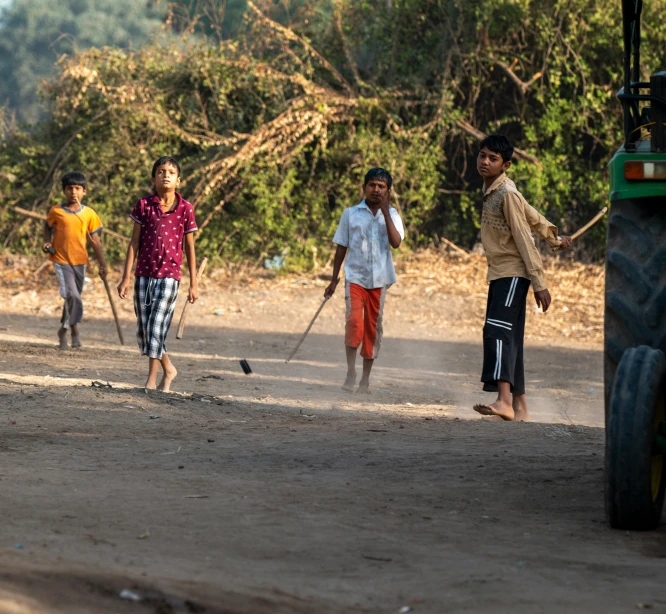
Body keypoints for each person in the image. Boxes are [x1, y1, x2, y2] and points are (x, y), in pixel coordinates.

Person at [472, 135, 572, 421]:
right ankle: (520, 407)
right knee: (510, 336)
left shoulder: (506, 194)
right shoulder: (498, 189)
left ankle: (503, 401)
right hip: (502, 273)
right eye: (482, 155)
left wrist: (540, 283)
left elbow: (524, 238)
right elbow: (533, 216)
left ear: (506, 165)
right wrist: (555, 238)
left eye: (493, 158)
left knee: (497, 331)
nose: (485, 162)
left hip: (512, 273)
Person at [117, 156, 199, 392]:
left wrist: (194, 284)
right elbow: (134, 243)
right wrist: (125, 278)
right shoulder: (143, 205)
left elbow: (190, 247)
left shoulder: (185, 209)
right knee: (144, 331)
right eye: (161, 171)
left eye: (171, 172)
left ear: (178, 180)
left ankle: (151, 381)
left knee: (156, 327)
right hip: (143, 274)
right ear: (153, 178)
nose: (166, 175)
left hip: (170, 276)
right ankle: (169, 368)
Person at [324, 167, 404, 393]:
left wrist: (386, 212)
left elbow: (396, 242)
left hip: (380, 280)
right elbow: (341, 246)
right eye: (372, 185)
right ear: (364, 187)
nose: (376, 190)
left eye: (382, 187)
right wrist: (334, 279)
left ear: (388, 191)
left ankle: (365, 379)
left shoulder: (393, 215)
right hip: (355, 278)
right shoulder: (350, 214)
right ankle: (351, 371)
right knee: (354, 323)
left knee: (372, 328)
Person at [43, 171, 108, 350]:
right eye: (70, 188)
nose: (74, 192)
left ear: (84, 191)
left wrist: (103, 264)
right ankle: (74, 330)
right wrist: (47, 241)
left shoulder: (88, 214)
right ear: (64, 191)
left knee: (74, 298)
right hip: (60, 260)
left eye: (77, 188)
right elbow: (47, 227)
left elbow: (95, 240)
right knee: (71, 295)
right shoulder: (56, 211)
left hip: (80, 261)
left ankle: (64, 330)